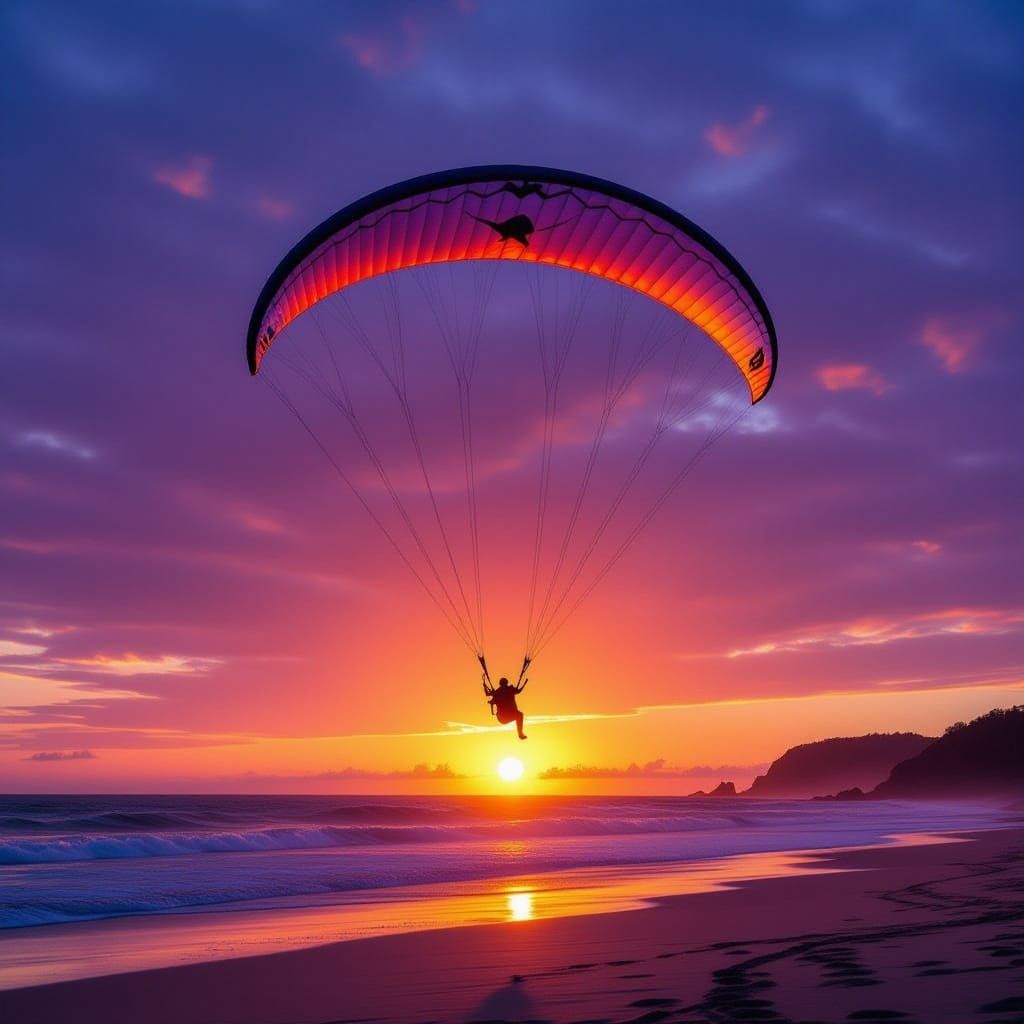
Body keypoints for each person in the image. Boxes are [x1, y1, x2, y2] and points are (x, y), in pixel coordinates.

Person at [483, 675, 527, 740]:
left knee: (519, 715)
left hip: (502, 718)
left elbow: (487, 694)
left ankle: (520, 734)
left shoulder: (498, 692)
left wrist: (484, 686)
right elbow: (518, 691)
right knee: (519, 715)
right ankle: (520, 734)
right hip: (504, 717)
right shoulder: (507, 690)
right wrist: (524, 684)